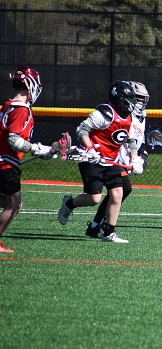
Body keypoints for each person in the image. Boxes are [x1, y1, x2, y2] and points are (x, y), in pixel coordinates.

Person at [57, 80, 137, 243]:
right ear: (118, 99)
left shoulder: (128, 117)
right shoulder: (104, 114)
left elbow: (131, 140)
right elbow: (82, 130)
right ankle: (69, 204)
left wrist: (135, 159)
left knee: (118, 194)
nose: (130, 104)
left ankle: (109, 232)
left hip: (110, 161)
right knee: (94, 198)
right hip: (92, 160)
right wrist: (91, 149)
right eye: (126, 100)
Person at [85, 81, 150, 238]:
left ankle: (96, 225)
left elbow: (138, 141)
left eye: (142, 99)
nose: (139, 103)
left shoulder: (140, 117)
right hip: (114, 159)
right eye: (137, 99)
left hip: (125, 159)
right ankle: (101, 226)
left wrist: (141, 157)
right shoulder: (123, 115)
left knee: (120, 191)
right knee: (120, 190)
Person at [0, 66, 50, 253]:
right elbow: (14, 140)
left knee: (12, 203)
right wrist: (37, 148)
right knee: (14, 204)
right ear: (31, 86)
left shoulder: (8, 104)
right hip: (5, 162)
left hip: (4, 160)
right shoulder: (21, 109)